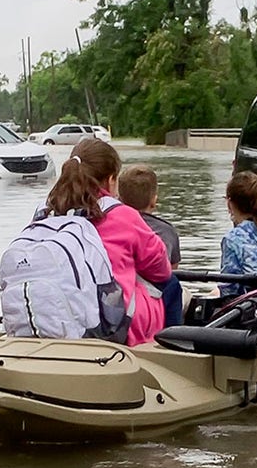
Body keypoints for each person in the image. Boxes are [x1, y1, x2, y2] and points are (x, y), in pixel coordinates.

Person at [43, 138, 179, 345]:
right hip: (113, 325)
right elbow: (160, 270)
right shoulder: (123, 215)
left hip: (53, 317)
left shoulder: (46, 213)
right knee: (171, 284)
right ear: (111, 180)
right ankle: (174, 352)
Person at [117, 164, 182, 268]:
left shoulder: (109, 225)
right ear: (154, 201)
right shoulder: (167, 231)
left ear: (119, 199)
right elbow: (173, 270)